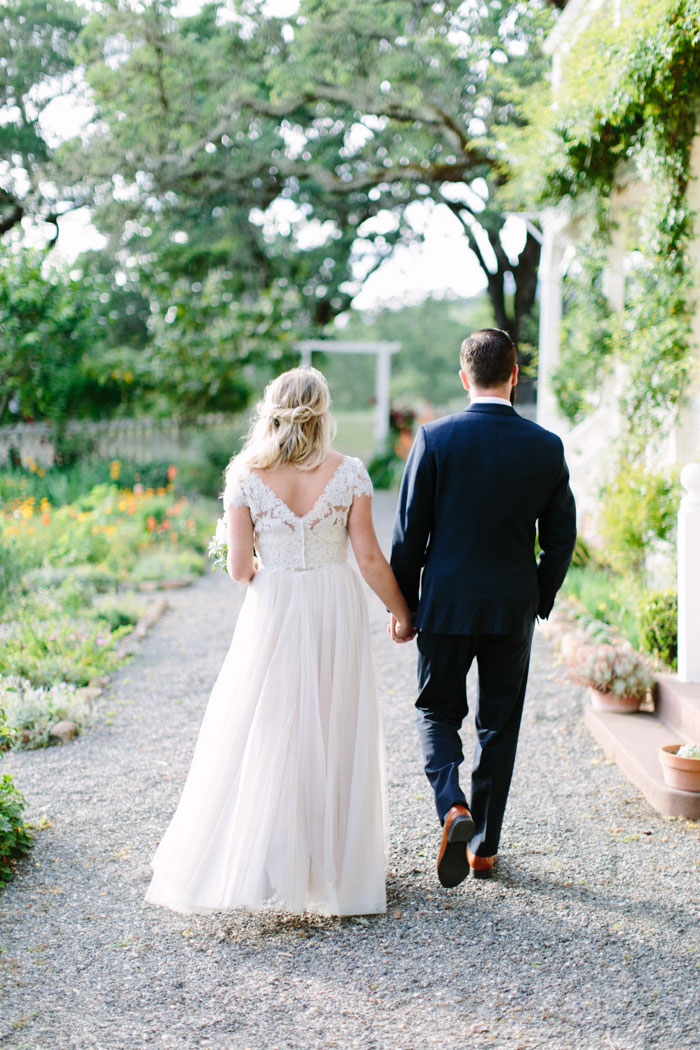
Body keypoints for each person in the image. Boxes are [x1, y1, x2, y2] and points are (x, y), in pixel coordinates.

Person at [144, 366, 414, 917]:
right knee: (334, 725)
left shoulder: (245, 475)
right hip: (334, 607)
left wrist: (251, 551)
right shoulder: (351, 473)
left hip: (275, 608)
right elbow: (367, 557)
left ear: (272, 408)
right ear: (323, 412)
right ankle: (332, 873)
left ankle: (272, 863)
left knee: (270, 726)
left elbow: (241, 571)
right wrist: (401, 611)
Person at [389, 329, 577, 887]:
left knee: (436, 712)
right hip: (510, 609)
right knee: (500, 725)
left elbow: (408, 538)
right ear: (515, 376)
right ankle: (486, 850)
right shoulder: (546, 446)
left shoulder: (434, 439)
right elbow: (562, 538)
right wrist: (539, 596)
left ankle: (452, 806)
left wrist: (406, 606)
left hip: (444, 607)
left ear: (464, 376)